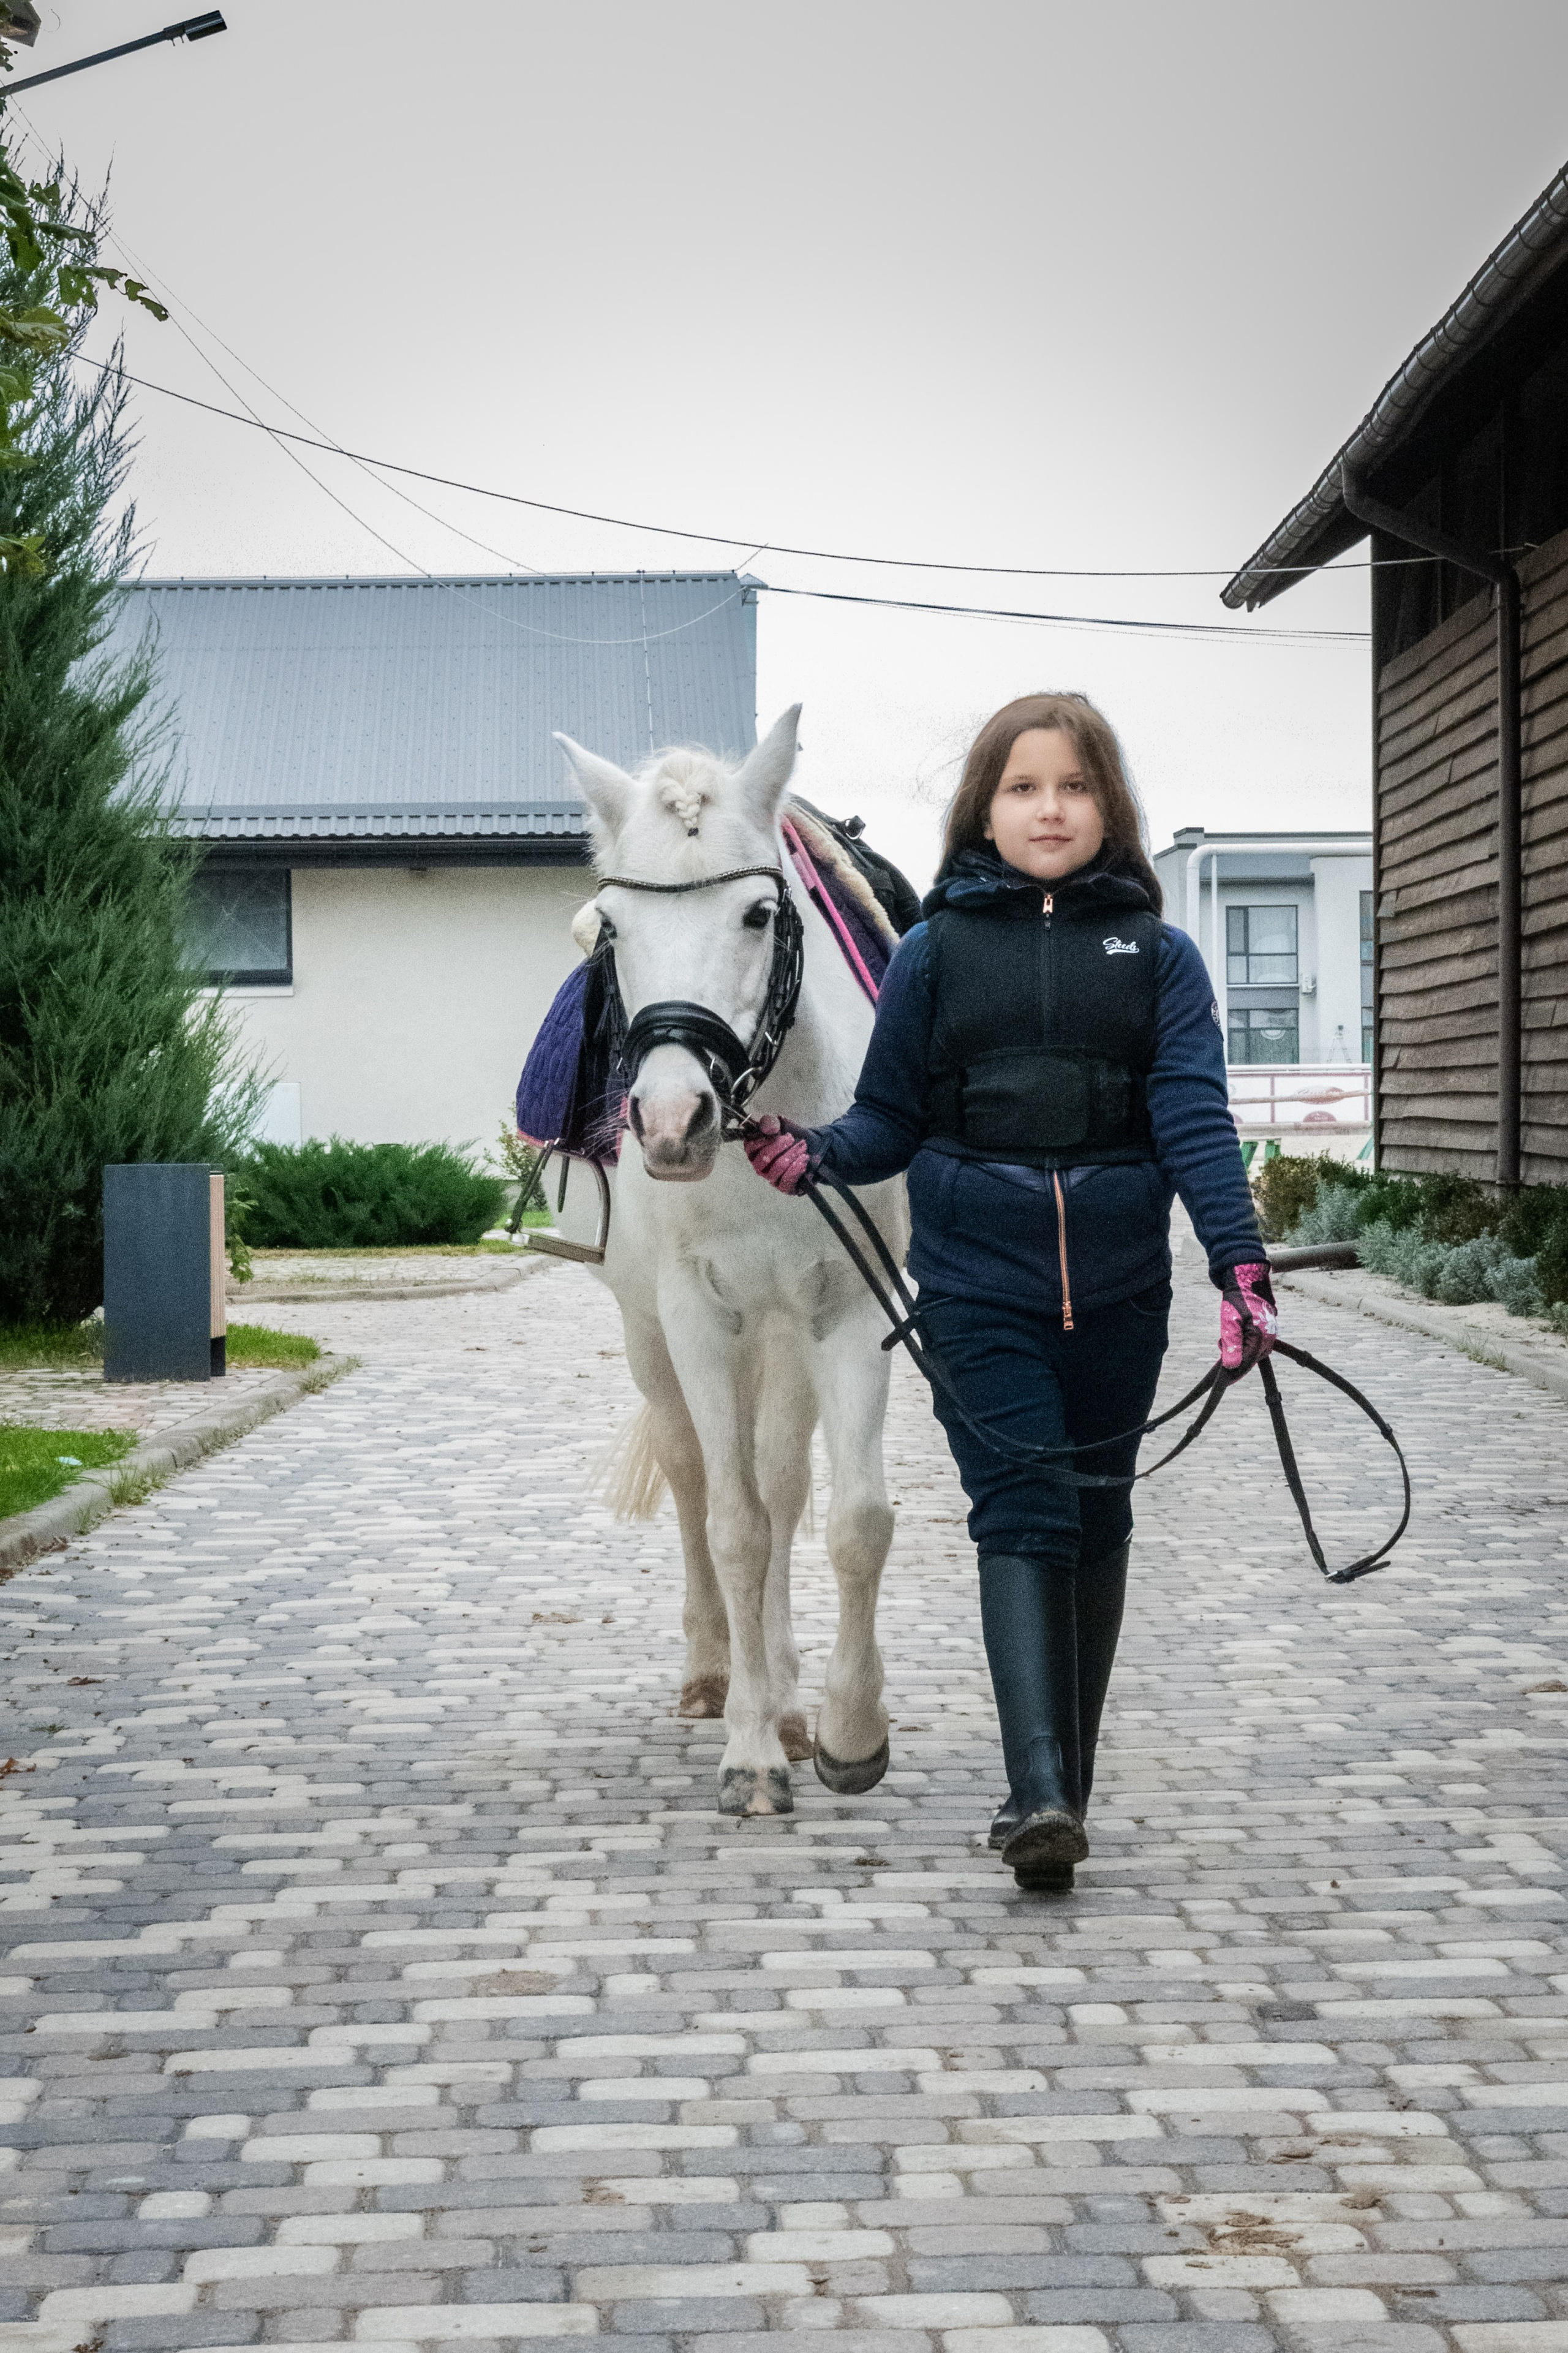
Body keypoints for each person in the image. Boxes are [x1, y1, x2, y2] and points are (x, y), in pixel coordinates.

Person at [744, 692, 1276, 1892]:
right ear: (985, 808)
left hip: (1124, 1290)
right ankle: (1033, 1783)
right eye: (1024, 785)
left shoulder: (1156, 956)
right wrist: (813, 1152)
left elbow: (1192, 1120)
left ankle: (1059, 1797)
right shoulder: (933, 953)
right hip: (978, 1287)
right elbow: (887, 1116)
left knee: (1097, 1520)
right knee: (1024, 1511)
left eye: (1074, 786)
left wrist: (1236, 1263)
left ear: (1109, 807)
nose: (1049, 807)